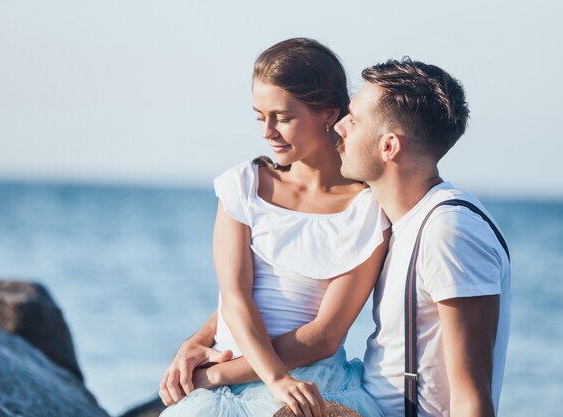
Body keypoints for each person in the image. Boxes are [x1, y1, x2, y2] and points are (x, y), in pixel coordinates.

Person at [158, 38, 390, 417]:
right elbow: (236, 297)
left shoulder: (366, 210)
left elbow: (323, 337)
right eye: (259, 116)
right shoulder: (244, 186)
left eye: (283, 117)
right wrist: (208, 348)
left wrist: (222, 376)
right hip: (237, 379)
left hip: (310, 381)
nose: (267, 131)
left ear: (329, 113)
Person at [334, 58, 511, 417]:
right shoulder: (400, 220)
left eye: (353, 120)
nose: (340, 127)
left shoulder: (450, 230)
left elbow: (471, 399)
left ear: (389, 147)